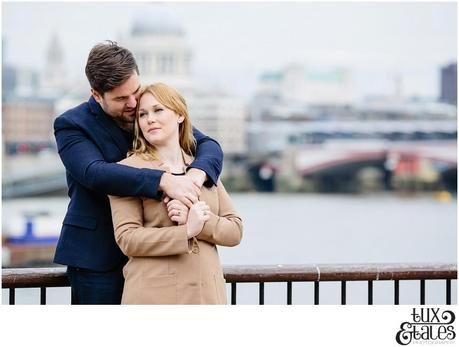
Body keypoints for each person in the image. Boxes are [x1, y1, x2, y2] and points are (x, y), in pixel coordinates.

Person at [53, 41, 223, 304]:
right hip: (98, 257)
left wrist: (194, 177)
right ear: (97, 95)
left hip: (158, 257)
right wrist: (165, 181)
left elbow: (209, 146)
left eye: (135, 91)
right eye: (121, 98)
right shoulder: (71, 125)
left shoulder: (147, 110)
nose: (133, 104)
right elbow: (94, 174)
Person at [108, 83, 242, 304]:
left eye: (158, 110)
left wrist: (200, 222)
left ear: (180, 115)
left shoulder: (202, 169)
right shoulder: (127, 170)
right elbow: (128, 239)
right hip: (154, 296)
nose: (149, 119)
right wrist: (186, 231)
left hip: (208, 296)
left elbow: (235, 230)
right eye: (142, 114)